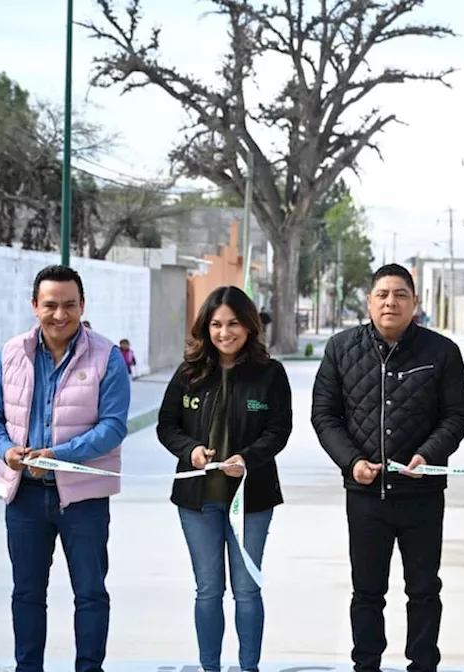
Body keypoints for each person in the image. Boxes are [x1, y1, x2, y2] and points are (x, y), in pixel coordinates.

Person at [312, 263, 464, 672]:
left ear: (415, 303)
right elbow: (325, 415)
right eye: (382, 294)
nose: (390, 302)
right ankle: (366, 665)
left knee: (423, 591)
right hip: (366, 497)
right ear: (369, 301)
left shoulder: (442, 352)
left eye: (400, 294)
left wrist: (429, 456)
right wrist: (351, 462)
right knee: (367, 592)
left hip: (422, 497)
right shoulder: (340, 349)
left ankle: (423, 665)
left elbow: (457, 414)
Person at [0, 264, 131, 672]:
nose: (59, 315)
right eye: (50, 305)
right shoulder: (11, 354)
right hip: (24, 497)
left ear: (82, 306)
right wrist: (7, 449)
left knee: (91, 593)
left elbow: (114, 426)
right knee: (27, 593)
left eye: (69, 305)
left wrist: (60, 455)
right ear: (34, 306)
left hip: (83, 500)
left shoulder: (107, 356)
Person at [157, 286, 293, 672]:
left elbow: (279, 430)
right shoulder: (188, 374)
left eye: (233, 323)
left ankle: (249, 667)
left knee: (247, 590)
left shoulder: (270, 374)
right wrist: (191, 452)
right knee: (208, 590)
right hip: (197, 500)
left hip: (252, 500)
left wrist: (248, 459)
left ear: (249, 326)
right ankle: (209, 667)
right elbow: (167, 426)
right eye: (216, 324)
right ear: (206, 327)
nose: (225, 332)